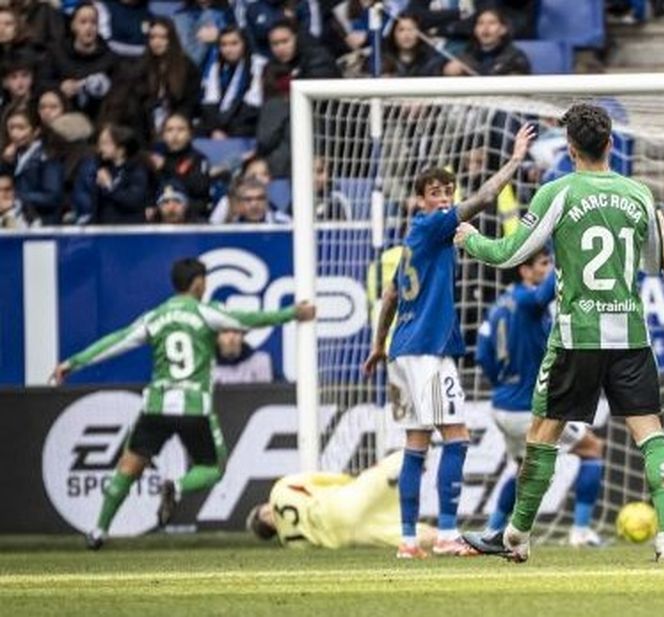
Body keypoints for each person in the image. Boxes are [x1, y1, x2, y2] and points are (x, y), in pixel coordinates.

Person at [454, 103, 664, 563]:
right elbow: (658, 264)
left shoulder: (558, 191)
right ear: (611, 144)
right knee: (651, 434)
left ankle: (516, 537)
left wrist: (469, 239)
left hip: (577, 334)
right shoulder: (638, 194)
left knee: (543, 433)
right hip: (631, 336)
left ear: (570, 149)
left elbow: (510, 252)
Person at [51, 257, 316, 550]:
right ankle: (176, 487)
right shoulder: (206, 313)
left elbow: (116, 341)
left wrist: (73, 363)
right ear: (199, 283)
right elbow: (249, 321)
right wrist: (292, 312)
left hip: (157, 405)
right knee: (213, 467)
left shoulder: (155, 317)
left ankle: (98, 531)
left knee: (129, 466)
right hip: (193, 406)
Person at [363, 122, 534, 559]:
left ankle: (407, 540)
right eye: (435, 192)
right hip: (427, 351)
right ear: (421, 199)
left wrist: (379, 345)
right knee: (456, 437)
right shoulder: (433, 225)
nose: (443, 198)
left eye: (447, 190)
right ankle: (446, 533)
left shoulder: (411, 241)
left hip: (402, 349)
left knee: (416, 444)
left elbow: (389, 296)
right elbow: (482, 201)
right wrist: (514, 160)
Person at [468, 250, 612, 550]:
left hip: (502, 404)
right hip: (526, 407)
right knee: (593, 450)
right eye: (543, 264)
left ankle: (493, 531)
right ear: (524, 270)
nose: (547, 270)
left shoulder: (498, 305)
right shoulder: (526, 302)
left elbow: (482, 354)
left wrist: (502, 383)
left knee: (524, 470)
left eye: (548, 263)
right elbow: (544, 295)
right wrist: (565, 256)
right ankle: (581, 531)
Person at [245, 452, 431, 549]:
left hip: (349, 534)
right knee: (406, 456)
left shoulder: (291, 543)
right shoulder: (279, 489)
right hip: (343, 502)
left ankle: (447, 538)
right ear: (264, 510)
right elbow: (328, 478)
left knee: (406, 538)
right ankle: (407, 466)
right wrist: (355, 481)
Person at [75, 124, 154, 225]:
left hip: (128, 231)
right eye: (99, 143)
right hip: (104, 231)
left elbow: (133, 201)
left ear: (121, 149)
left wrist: (109, 186)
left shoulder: (137, 170)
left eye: (105, 143)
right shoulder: (102, 168)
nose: (100, 148)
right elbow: (97, 206)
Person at [198, 26, 266, 140]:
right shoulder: (216, 66)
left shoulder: (258, 65)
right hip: (220, 122)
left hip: (247, 121)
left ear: (244, 43)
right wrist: (215, 129)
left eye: (234, 44)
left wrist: (226, 130)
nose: (228, 49)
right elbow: (210, 101)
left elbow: (252, 106)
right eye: (223, 45)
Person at [0, 106, 63, 224]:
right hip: (16, 222)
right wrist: (5, 162)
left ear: (36, 131)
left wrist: (16, 197)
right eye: (11, 128)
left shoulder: (47, 157)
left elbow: (52, 197)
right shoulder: (10, 155)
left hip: (43, 224)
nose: (15, 133)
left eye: (21, 128)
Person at [152, 114, 213, 219]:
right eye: (169, 130)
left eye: (181, 129)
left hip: (191, 214)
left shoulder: (198, 158)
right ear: (163, 135)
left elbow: (199, 189)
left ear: (190, 134)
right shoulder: (156, 158)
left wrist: (166, 167)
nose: (175, 135)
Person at [441, 9, 531, 76]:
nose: (485, 28)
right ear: (475, 30)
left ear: (503, 30)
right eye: (480, 23)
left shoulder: (515, 57)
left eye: (492, 23)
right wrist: (446, 70)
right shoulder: (466, 56)